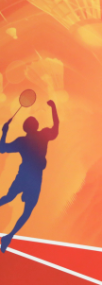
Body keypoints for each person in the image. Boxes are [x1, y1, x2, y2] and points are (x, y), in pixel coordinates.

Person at [0, 100, 59, 253]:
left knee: (9, 197)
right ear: (36, 126)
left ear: (25, 128)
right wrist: (53, 108)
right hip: (34, 177)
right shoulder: (43, 136)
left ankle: (8, 237)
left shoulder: (22, 141)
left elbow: (2, 148)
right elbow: (56, 127)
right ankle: (9, 236)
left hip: (24, 175)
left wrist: (4, 132)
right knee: (27, 210)